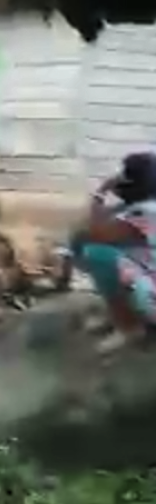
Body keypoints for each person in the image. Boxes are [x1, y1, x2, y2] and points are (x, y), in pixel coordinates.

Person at [72, 151, 156, 354]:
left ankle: (129, 327)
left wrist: (101, 191)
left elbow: (94, 231)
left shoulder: (145, 210)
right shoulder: (142, 206)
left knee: (99, 254)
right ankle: (119, 314)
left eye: (125, 173)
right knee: (82, 240)